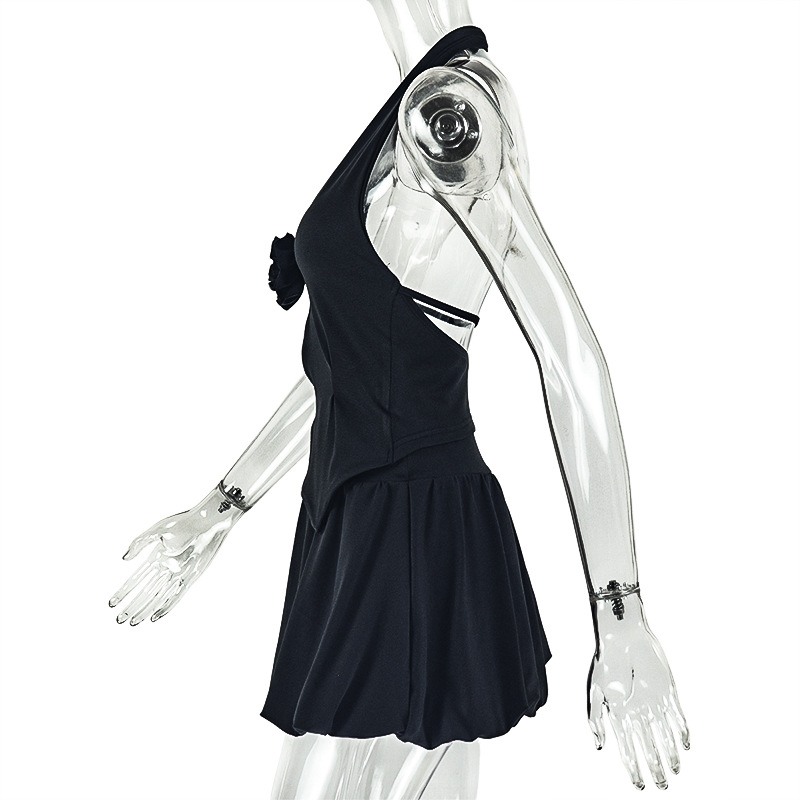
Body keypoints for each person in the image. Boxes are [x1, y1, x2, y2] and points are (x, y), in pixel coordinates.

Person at [108, 1, 690, 796]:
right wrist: (222, 505)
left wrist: (619, 612)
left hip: (410, 527)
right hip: (350, 515)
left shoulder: (450, 111)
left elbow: (571, 358)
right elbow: (358, 361)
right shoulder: (421, 97)